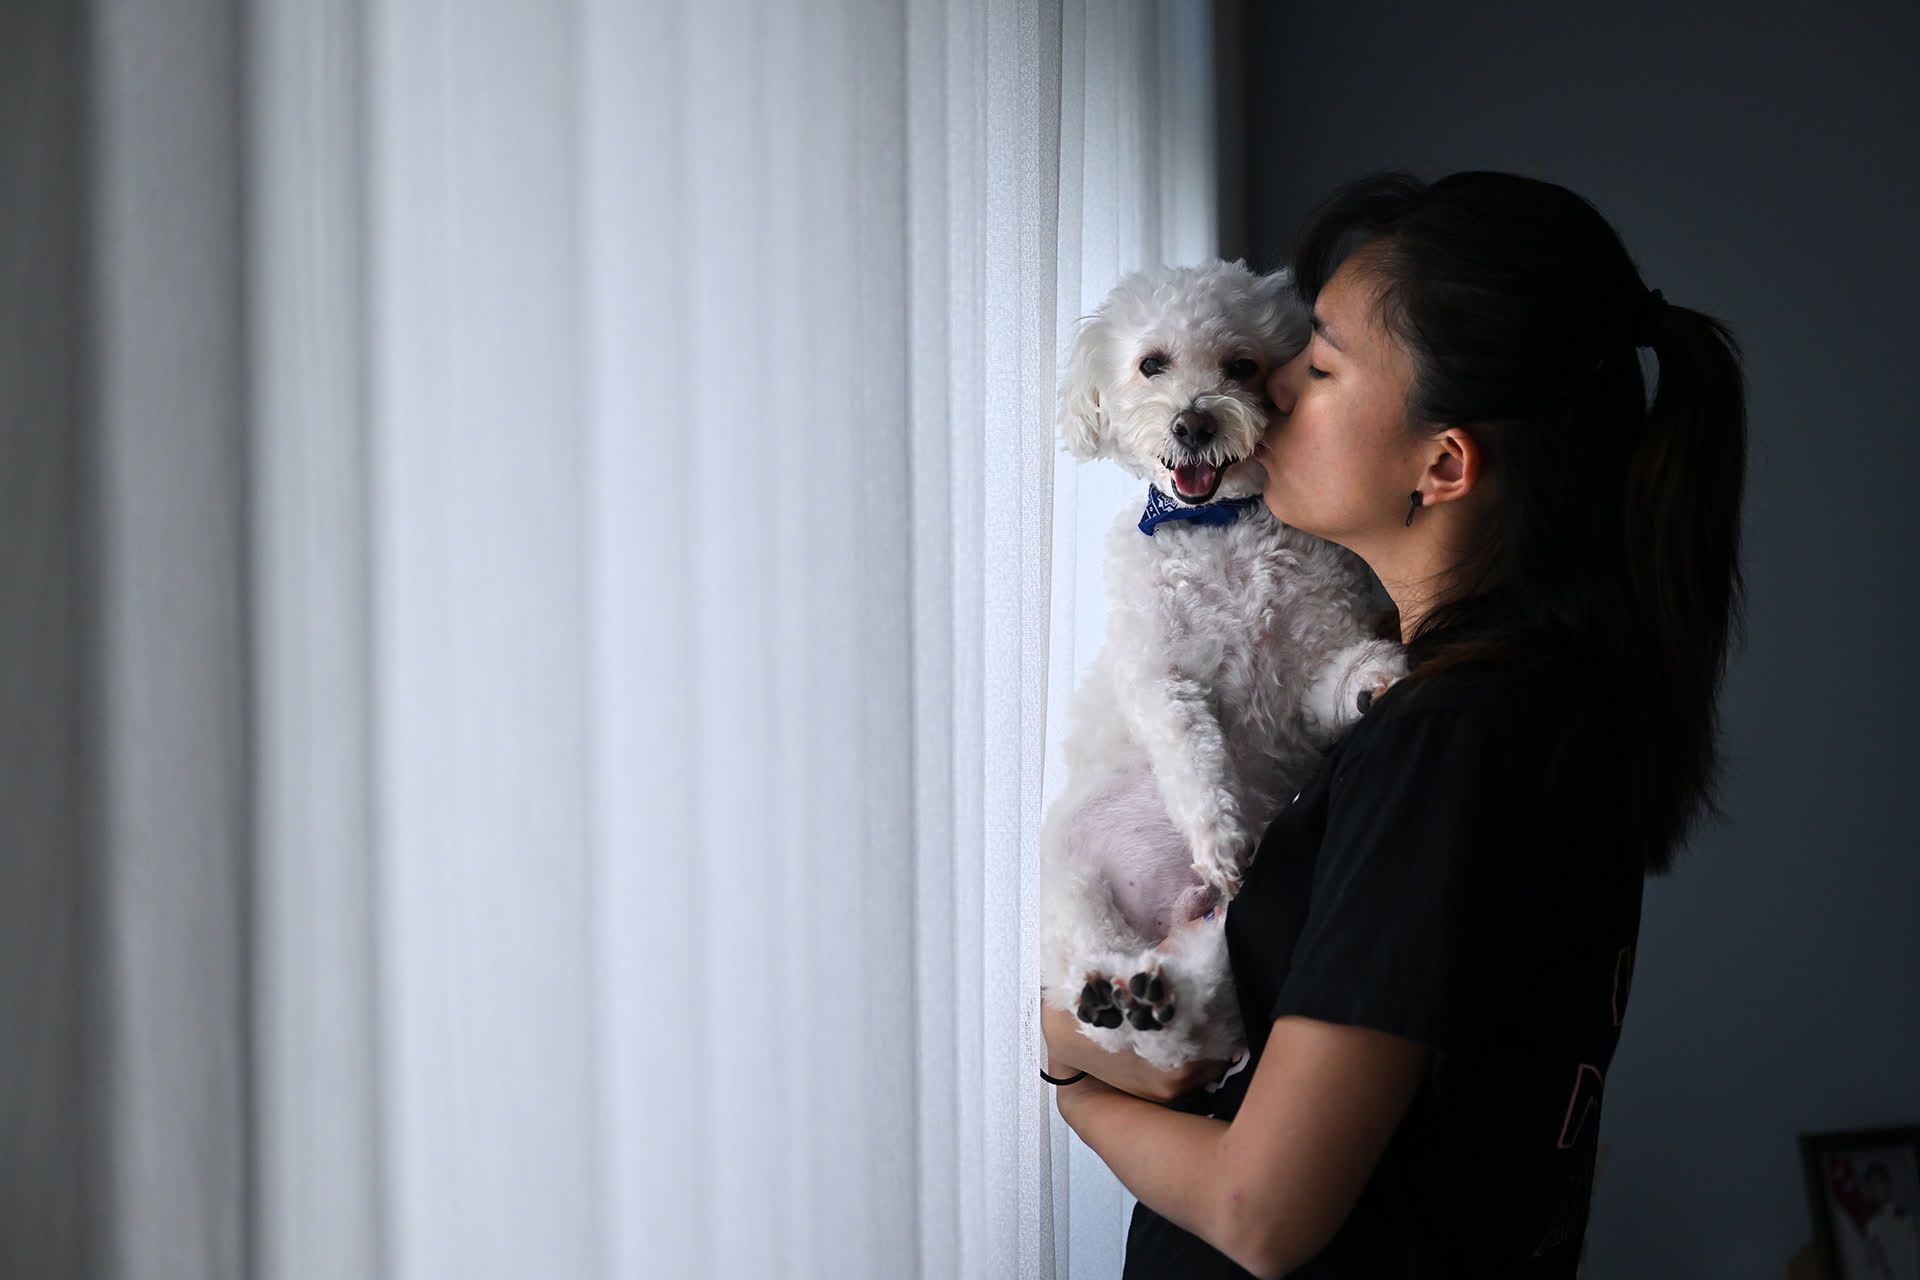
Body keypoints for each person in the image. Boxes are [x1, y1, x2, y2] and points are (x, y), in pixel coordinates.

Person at [1039, 169, 1748, 1277]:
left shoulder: (1448, 739)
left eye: (1317, 366)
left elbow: (1262, 1211)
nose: (1270, 390)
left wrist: (1070, 1079)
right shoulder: (1516, 702)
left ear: (1444, 463)